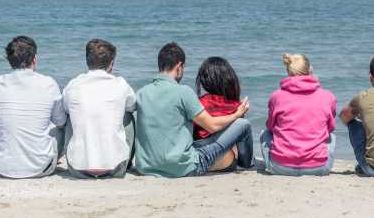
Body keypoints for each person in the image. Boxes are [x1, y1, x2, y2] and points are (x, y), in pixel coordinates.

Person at [134, 42, 254, 178]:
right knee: (243, 124)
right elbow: (212, 125)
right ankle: (248, 164)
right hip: (183, 167)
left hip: (146, 167)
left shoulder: (142, 93)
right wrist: (238, 114)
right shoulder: (183, 92)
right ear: (179, 67)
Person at [0, 36, 67, 178]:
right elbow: (60, 122)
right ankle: (50, 158)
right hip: (40, 168)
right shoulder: (48, 84)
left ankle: (2, 157)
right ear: (34, 59)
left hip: (1, 169)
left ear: (9, 61)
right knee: (59, 128)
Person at [62, 39, 136, 179]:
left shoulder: (72, 85)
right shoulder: (121, 84)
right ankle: (127, 161)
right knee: (128, 115)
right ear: (111, 64)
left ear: (87, 62)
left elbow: (64, 111)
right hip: (115, 168)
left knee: (70, 114)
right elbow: (133, 106)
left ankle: (82, 156)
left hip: (78, 169)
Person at [261, 54, 337, 176]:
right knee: (331, 136)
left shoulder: (276, 96)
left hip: (280, 167)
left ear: (288, 71)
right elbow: (330, 128)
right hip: (319, 168)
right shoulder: (328, 96)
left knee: (265, 134)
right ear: (309, 70)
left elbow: (270, 126)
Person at [193, 56, 252, 172]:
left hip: (199, 152)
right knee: (243, 127)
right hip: (224, 157)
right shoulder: (235, 106)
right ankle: (247, 163)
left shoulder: (198, 104)